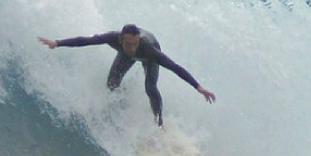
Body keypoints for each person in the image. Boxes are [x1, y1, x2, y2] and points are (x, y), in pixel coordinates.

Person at [38, 24, 216, 127]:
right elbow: (85, 41)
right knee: (111, 83)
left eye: (135, 43)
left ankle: (159, 122)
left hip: (151, 49)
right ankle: (120, 105)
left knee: (150, 87)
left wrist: (198, 87)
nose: (132, 47)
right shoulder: (112, 38)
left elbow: (174, 67)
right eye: (129, 43)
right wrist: (57, 43)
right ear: (121, 39)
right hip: (126, 53)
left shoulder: (148, 49)